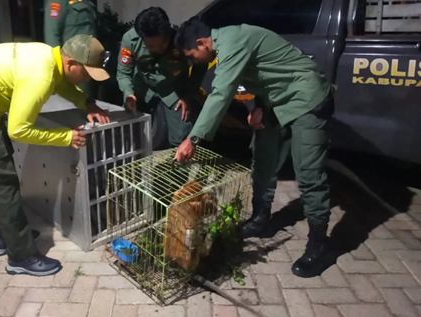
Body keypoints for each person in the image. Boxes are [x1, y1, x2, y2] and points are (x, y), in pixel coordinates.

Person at [0, 34, 111, 276]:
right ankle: (22, 257)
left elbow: (62, 85)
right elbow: (18, 129)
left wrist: (87, 101)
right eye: (87, 74)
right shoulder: (39, 76)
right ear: (71, 64)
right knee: (2, 184)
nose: (88, 79)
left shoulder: (49, 56)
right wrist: (66, 137)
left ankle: (7, 237)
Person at [173, 17, 334, 278]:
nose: (194, 61)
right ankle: (261, 220)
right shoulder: (225, 44)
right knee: (263, 160)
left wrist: (193, 139)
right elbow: (262, 72)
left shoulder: (233, 41)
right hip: (276, 100)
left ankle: (319, 245)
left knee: (308, 174)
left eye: (192, 55)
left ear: (203, 43)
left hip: (306, 97)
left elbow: (221, 92)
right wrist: (257, 105)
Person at [117, 7, 208, 149]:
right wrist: (128, 94)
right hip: (143, 87)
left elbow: (201, 65)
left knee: (181, 136)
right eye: (151, 45)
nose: (158, 48)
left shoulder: (181, 39)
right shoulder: (130, 40)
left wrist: (188, 95)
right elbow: (123, 72)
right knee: (132, 134)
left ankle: (179, 168)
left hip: (174, 90)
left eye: (163, 43)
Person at [44, 0, 98, 97]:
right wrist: (59, 69)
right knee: (73, 102)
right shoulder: (58, 1)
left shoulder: (87, 2)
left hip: (89, 65)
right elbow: (52, 36)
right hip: (72, 66)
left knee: (87, 102)